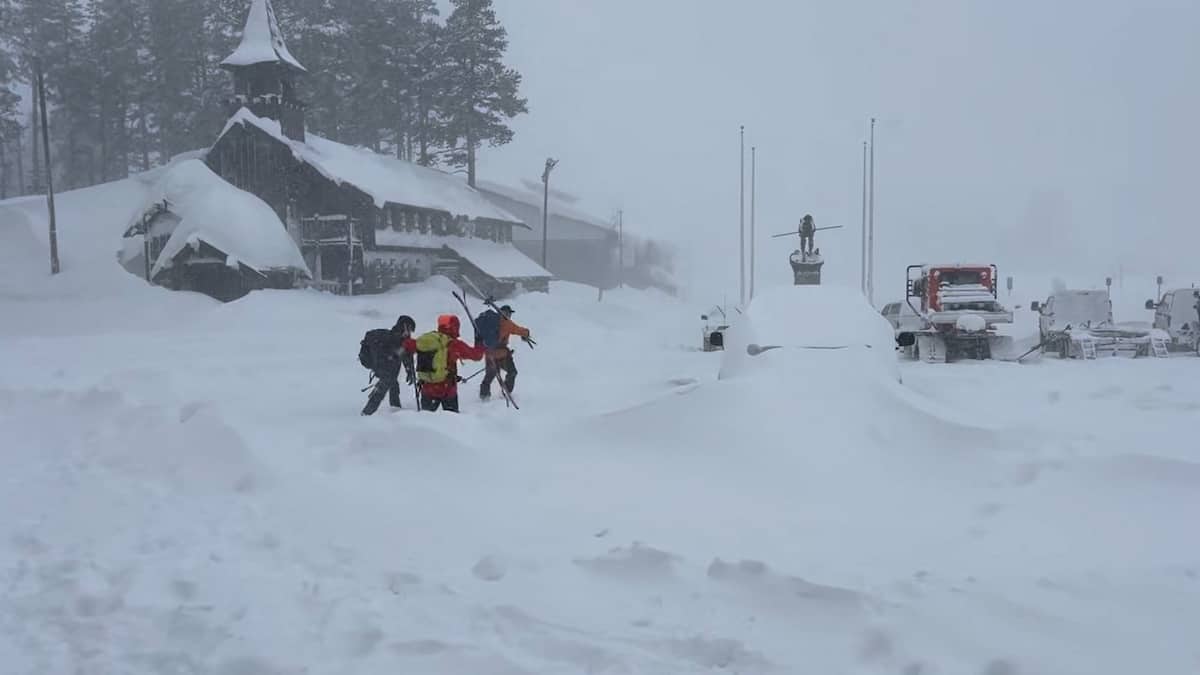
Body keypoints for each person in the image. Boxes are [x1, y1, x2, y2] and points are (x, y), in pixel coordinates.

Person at [403, 314, 486, 412]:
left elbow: (407, 345)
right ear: (455, 327)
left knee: (426, 420)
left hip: (427, 388)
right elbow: (476, 355)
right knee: (452, 421)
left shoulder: (427, 341)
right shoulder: (453, 344)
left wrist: (405, 337)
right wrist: (480, 342)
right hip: (447, 390)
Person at [359, 315, 416, 416]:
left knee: (393, 383)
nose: (410, 333)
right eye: (410, 329)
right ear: (405, 326)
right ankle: (367, 413)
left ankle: (395, 409)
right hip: (381, 366)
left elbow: (406, 355)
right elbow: (383, 354)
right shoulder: (390, 338)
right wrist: (386, 362)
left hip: (388, 367)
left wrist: (409, 370)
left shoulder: (402, 340)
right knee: (385, 385)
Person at [478, 304, 533, 400]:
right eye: (509, 313)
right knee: (512, 372)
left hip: (489, 354)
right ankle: (507, 392)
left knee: (490, 376)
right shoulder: (506, 323)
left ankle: (484, 396)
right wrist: (526, 333)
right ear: (505, 313)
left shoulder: (490, 323)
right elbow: (520, 330)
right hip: (502, 354)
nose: (509, 315)